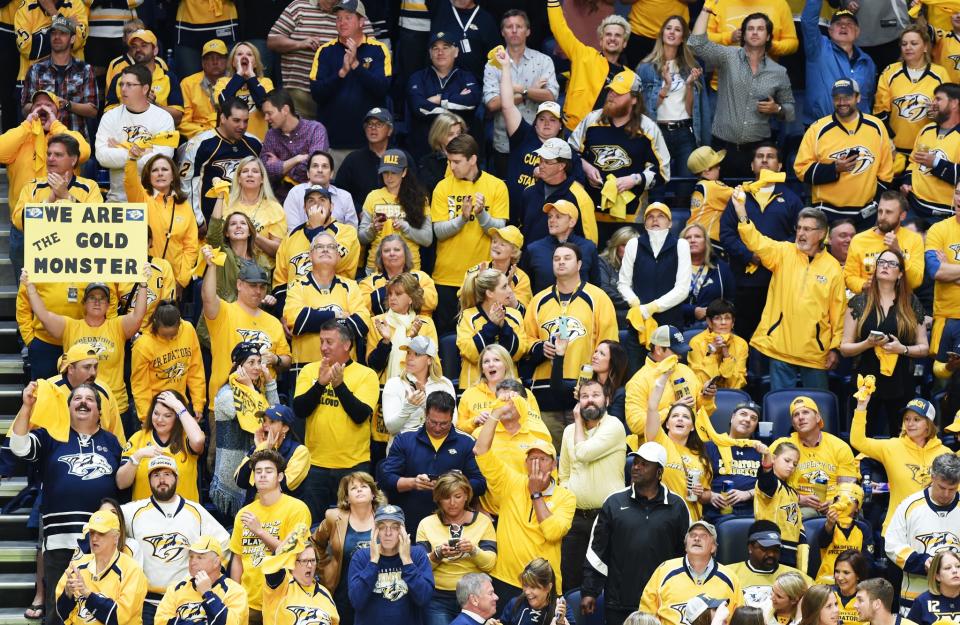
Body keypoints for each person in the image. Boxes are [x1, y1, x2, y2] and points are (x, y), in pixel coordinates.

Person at [10, 382, 123, 623]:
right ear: (68, 407)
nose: (83, 402)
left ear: (100, 410)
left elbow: (123, 484)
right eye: (77, 398)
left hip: (99, 541)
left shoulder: (112, 443)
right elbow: (18, 446)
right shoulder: (50, 435)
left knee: (96, 610)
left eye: (89, 399)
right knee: (57, 609)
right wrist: (27, 406)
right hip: (60, 540)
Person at [730, 193, 844, 390]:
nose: (801, 233)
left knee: (817, 409)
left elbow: (838, 311)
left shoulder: (833, 267)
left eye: (807, 229)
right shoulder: (783, 253)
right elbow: (755, 241)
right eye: (799, 228)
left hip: (815, 352)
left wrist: (835, 347)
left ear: (822, 234)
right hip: (780, 348)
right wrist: (741, 212)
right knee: (780, 408)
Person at [473, 410, 576, 605]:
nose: (536, 464)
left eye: (543, 459)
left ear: (554, 465)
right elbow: (481, 451)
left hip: (543, 584)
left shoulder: (566, 496)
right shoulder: (510, 481)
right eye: (531, 459)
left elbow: (553, 532)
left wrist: (536, 494)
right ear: (525, 463)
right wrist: (495, 414)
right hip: (506, 579)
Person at [581, 441, 688, 625]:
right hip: (619, 602)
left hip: (663, 602)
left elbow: (685, 554)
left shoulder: (677, 506)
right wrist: (590, 591)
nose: (636, 467)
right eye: (636, 462)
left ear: (659, 472)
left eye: (644, 464)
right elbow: (597, 551)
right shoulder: (614, 502)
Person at [23, 273, 147, 430]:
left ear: (109, 305)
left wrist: (143, 284)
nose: (97, 301)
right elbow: (43, 315)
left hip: (114, 406)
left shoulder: (117, 326)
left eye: (102, 298)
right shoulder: (70, 326)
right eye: (92, 297)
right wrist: (30, 286)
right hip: (78, 407)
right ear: (84, 303)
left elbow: (138, 315)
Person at [524, 242, 618, 440]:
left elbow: (609, 346)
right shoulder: (538, 300)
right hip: (545, 392)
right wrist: (539, 347)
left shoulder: (598, 298)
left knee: (585, 455)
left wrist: (600, 385)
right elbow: (525, 340)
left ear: (579, 264)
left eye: (567, 258)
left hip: (585, 391)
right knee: (549, 458)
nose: (561, 262)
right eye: (556, 259)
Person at [121, 456, 231, 623]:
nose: (162, 480)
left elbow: (224, 544)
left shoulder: (195, 511)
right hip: (146, 602)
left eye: (167, 474)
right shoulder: (133, 511)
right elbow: (105, 516)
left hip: (185, 601)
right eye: (156, 475)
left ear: (177, 478)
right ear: (149, 480)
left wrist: (211, 577)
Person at [688, 10, 795, 178]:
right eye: (750, 29)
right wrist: (705, 10)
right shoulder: (727, 56)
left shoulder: (779, 71)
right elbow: (695, 44)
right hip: (722, 147)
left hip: (758, 152)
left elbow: (790, 111)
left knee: (755, 202)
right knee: (719, 201)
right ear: (743, 35)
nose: (754, 32)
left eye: (760, 29)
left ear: (768, 37)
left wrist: (777, 108)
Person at [293, 319, 380, 517]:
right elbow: (299, 409)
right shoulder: (309, 371)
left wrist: (339, 386)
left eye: (329, 342)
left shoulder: (366, 375)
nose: (323, 347)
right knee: (315, 528)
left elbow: (360, 415)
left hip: (353, 465)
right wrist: (320, 385)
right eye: (321, 341)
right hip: (316, 464)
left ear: (346, 344)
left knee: (355, 523)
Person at [569, 69, 671, 236]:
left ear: (634, 99)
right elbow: (569, 152)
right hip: (589, 213)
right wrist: (585, 167)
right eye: (611, 90)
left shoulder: (648, 129)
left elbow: (663, 171)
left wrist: (634, 179)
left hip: (631, 217)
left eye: (619, 93)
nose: (611, 96)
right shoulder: (592, 120)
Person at [719, 143, 804, 341]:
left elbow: (801, 235)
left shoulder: (792, 199)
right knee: (743, 334)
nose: (764, 160)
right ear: (752, 165)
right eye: (759, 156)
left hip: (779, 278)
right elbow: (727, 234)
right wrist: (750, 256)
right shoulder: (739, 196)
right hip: (744, 279)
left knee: (776, 334)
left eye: (770, 156)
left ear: (780, 165)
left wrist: (776, 255)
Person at [840, 250, 930, 436]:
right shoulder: (859, 302)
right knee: (862, 437)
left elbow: (924, 347)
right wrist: (867, 343)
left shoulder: (911, 303)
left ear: (900, 274)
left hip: (901, 380)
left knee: (903, 438)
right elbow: (845, 348)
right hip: (864, 381)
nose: (885, 266)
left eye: (892, 264)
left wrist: (902, 349)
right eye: (881, 262)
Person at [431, 134, 510, 334]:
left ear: (473, 159)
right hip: (447, 278)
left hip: (481, 280)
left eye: (457, 162)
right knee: (448, 340)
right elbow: (438, 232)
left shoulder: (496, 186)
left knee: (482, 337)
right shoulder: (442, 187)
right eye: (449, 161)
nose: (452, 167)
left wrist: (482, 214)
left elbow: (500, 232)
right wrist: (462, 219)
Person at [200, 245, 292, 413]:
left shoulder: (273, 322)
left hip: (262, 406)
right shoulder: (224, 311)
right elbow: (207, 297)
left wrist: (275, 359)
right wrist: (211, 266)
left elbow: (287, 360)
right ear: (239, 285)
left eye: (262, 287)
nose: (258, 291)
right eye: (252, 285)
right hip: (227, 405)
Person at [795, 78, 896, 229]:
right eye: (837, 98)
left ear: (858, 97)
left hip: (866, 213)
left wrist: (875, 203)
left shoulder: (876, 126)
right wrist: (833, 169)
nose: (842, 102)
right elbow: (801, 170)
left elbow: (886, 172)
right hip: (828, 213)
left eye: (847, 97)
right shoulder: (817, 129)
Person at [557, 379, 626, 592]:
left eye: (595, 395)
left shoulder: (614, 425)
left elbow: (583, 453)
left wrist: (577, 421)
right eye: (585, 396)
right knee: (572, 580)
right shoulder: (569, 431)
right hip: (576, 518)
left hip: (607, 517)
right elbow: (564, 473)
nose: (589, 400)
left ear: (606, 399)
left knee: (606, 580)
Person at [379, 389, 485, 528]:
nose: (437, 428)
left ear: (452, 417)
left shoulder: (466, 442)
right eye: (433, 422)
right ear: (425, 414)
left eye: (444, 423)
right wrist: (413, 483)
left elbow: (480, 484)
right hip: (410, 520)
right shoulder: (405, 439)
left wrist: (453, 486)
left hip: (453, 523)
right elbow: (386, 479)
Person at [230, 449, 312, 623]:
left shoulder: (297, 509)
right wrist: (236, 595)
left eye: (269, 471)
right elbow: (237, 559)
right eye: (258, 472)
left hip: (284, 600)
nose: (262, 476)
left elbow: (293, 554)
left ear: (280, 477)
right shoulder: (244, 513)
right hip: (249, 602)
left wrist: (260, 532)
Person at [492, 53, 572, 225]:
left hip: (545, 219)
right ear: (535, 122)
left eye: (552, 120)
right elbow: (507, 105)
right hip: (513, 215)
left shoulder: (566, 150)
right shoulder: (523, 135)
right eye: (542, 119)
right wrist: (506, 67)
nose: (546, 124)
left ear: (560, 125)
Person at [6, 124, 91, 277]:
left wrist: (66, 196)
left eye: (58, 155)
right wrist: (51, 199)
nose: (51, 158)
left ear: (73, 160)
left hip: (74, 261)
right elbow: (19, 221)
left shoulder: (89, 187)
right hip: (37, 261)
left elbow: (96, 223)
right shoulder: (32, 186)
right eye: (49, 154)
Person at [636, 15, 711, 187]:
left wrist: (690, 86)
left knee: (685, 188)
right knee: (656, 188)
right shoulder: (645, 67)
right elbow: (643, 110)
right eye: (668, 28)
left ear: (683, 37)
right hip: (657, 133)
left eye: (677, 30)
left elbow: (693, 112)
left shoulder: (692, 67)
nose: (672, 32)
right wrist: (666, 87)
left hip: (685, 133)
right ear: (662, 33)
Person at [282, 230, 370, 376]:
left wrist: (314, 319)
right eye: (319, 247)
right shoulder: (297, 285)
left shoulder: (351, 286)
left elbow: (361, 324)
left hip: (343, 370)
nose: (325, 249)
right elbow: (297, 320)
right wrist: (338, 315)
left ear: (337, 256)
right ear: (310, 255)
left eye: (331, 247)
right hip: (305, 370)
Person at [309, 0, 391, 155]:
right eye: (338, 18)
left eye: (348, 17)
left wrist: (356, 66)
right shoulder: (325, 51)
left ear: (361, 21)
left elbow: (382, 89)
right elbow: (316, 94)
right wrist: (341, 74)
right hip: (331, 142)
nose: (342, 22)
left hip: (368, 144)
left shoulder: (378, 49)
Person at [210, 341, 281, 517]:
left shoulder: (256, 393)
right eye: (251, 362)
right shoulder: (226, 394)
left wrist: (270, 382)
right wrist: (250, 388)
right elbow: (255, 421)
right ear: (238, 366)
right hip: (230, 477)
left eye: (259, 362)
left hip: (252, 468)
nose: (257, 367)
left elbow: (275, 417)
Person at [483, 11, 559, 177]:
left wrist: (519, 89)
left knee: (535, 190)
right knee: (507, 192)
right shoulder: (493, 64)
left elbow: (551, 96)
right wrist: (529, 92)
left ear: (528, 31)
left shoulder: (543, 61)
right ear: (503, 32)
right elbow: (492, 103)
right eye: (509, 27)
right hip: (504, 142)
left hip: (539, 141)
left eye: (519, 26)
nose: (514, 30)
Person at [416, 473, 498, 625]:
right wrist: (437, 555)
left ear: (467, 495)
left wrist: (473, 550)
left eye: (458, 496)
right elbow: (420, 567)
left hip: (475, 598)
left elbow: (490, 564)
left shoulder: (483, 522)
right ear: (438, 499)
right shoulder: (426, 523)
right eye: (446, 497)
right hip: (438, 597)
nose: (452, 503)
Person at [618, 203, 690, 369]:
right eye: (650, 216)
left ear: (670, 223)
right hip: (638, 324)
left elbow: (682, 289)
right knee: (636, 375)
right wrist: (634, 302)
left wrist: (652, 307)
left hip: (670, 324)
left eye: (661, 216)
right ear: (645, 223)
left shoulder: (681, 245)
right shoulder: (633, 244)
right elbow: (623, 283)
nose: (655, 220)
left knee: (671, 374)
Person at [884, 453, 960, 610]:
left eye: (952, 489)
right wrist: (921, 562)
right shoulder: (910, 505)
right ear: (932, 477)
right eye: (942, 487)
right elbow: (892, 544)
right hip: (914, 598)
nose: (946, 494)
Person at [273, 186, 362, 312]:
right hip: (297, 307)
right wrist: (283, 315)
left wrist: (316, 228)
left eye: (322, 200)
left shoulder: (347, 232)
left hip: (335, 307)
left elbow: (329, 264)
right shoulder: (291, 237)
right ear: (305, 208)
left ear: (331, 206)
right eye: (311, 201)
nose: (317, 205)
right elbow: (280, 282)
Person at [95, 64, 176, 202]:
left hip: (154, 200)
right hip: (118, 201)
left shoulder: (164, 118)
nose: (123, 89)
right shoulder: (110, 116)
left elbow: (161, 161)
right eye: (122, 84)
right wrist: (144, 152)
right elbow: (102, 157)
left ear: (145, 89)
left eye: (130, 85)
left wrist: (120, 147)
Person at [53, 509, 148, 625]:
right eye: (92, 532)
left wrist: (87, 594)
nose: (94, 538)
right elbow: (62, 614)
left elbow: (119, 618)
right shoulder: (76, 566)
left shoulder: (132, 570)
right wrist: (67, 594)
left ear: (116, 537)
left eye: (101, 533)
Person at [313, 472, 383, 625]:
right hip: (343, 590)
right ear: (346, 497)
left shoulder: (385, 518)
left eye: (364, 486)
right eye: (353, 488)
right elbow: (314, 543)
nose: (359, 490)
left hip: (378, 589)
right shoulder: (333, 518)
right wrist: (323, 567)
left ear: (373, 494)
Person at [640, 521, 743, 625]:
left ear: (713, 547)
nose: (697, 538)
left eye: (703, 536)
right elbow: (645, 617)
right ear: (685, 546)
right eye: (692, 535)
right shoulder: (664, 570)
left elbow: (740, 619)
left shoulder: (730, 577)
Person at [770, 396, 860, 516]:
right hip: (798, 505)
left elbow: (848, 487)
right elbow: (767, 482)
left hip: (836, 505)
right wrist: (799, 498)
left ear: (818, 417)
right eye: (796, 415)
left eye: (805, 412)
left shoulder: (840, 446)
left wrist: (834, 502)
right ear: (793, 423)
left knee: (849, 512)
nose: (801, 417)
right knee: (801, 514)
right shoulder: (781, 445)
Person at [180, 97, 262, 226]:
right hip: (209, 219)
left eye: (246, 121)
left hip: (246, 221)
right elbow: (187, 184)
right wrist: (198, 220)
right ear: (223, 118)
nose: (242, 126)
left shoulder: (255, 143)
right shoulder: (199, 144)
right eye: (236, 121)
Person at [547, 0, 628, 130]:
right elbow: (559, 29)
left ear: (624, 43)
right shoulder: (583, 55)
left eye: (618, 35)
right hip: (573, 129)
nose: (612, 38)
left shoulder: (629, 77)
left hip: (605, 138)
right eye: (608, 34)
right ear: (601, 41)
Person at [347, 504, 434, 625]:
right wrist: (373, 562)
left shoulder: (417, 555)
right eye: (382, 527)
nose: (388, 533)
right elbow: (356, 601)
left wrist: (407, 561)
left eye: (395, 527)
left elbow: (424, 598)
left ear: (403, 530)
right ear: (375, 531)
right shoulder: (361, 557)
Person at [644, 369, 714, 519]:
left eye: (686, 417)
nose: (680, 419)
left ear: (693, 426)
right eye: (675, 416)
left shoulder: (701, 456)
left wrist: (701, 493)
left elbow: (707, 495)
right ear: (667, 424)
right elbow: (652, 408)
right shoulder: (659, 440)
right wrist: (662, 379)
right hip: (660, 517)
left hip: (690, 520)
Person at [124, 152, 199, 290]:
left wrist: (181, 281)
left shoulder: (185, 206)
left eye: (164, 169)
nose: (160, 173)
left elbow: (191, 247)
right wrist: (132, 159)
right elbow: (130, 182)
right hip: (144, 279)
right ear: (148, 176)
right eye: (155, 170)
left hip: (173, 282)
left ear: (173, 176)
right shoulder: (141, 198)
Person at [405, 31, 480, 161]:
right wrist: (456, 102)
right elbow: (419, 108)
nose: (440, 52)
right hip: (425, 152)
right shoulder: (417, 78)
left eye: (445, 47)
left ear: (456, 52)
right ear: (430, 53)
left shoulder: (466, 76)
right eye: (435, 48)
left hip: (462, 154)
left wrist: (439, 99)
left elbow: (472, 102)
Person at [875, 27, 948, 161]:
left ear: (925, 47)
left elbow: (950, 112)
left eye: (914, 43)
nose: (908, 47)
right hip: (896, 149)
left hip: (929, 150)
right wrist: (890, 140)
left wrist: (938, 114)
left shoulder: (940, 73)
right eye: (904, 44)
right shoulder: (890, 72)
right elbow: (880, 111)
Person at [117, 391, 204, 501]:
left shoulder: (187, 437)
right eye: (156, 413)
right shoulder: (138, 438)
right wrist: (137, 456)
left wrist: (179, 406)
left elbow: (198, 440)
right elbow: (121, 483)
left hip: (184, 514)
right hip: (146, 514)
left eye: (167, 415)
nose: (159, 420)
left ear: (178, 417)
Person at [19, 16, 97, 139]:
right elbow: (24, 108)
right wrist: (40, 106)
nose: (57, 37)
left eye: (62, 33)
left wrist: (67, 104)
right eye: (53, 33)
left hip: (75, 141)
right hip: (42, 139)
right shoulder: (36, 69)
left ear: (72, 39)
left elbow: (93, 111)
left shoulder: (85, 69)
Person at [359, 150, 433, 273]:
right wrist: (372, 229)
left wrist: (406, 227)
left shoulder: (419, 199)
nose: (389, 177)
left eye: (394, 172)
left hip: (409, 269)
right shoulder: (372, 196)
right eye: (385, 172)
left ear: (404, 172)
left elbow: (427, 239)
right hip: (376, 269)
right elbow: (361, 238)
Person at [801, 4, 876, 124]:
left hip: (857, 128)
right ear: (830, 31)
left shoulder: (867, 61)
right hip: (821, 125)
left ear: (857, 32)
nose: (843, 26)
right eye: (838, 23)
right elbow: (808, 21)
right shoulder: (818, 48)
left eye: (849, 24)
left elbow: (868, 97)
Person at [130, 302, 205, 420]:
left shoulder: (188, 330)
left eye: (173, 335)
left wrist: (198, 403)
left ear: (179, 324)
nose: (169, 339)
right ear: (155, 325)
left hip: (180, 405)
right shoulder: (143, 345)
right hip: (156, 409)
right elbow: (140, 386)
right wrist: (146, 417)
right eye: (165, 335)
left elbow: (195, 370)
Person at [456, 268, 528, 391]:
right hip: (473, 388)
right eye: (504, 287)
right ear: (490, 293)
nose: (510, 291)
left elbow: (519, 353)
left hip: (509, 389)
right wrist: (492, 326)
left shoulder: (515, 315)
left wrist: (503, 326)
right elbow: (471, 353)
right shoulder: (468, 316)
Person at [155, 536, 249, 625]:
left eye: (200, 557)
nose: (193, 562)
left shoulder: (235, 591)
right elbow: (160, 621)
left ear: (216, 562)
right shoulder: (176, 588)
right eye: (191, 556)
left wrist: (208, 594)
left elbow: (230, 623)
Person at [846, 191, 926, 295]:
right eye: (880, 211)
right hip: (867, 301)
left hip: (901, 303)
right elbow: (849, 276)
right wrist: (864, 284)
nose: (882, 217)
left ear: (902, 216)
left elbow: (915, 281)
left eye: (888, 212)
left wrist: (898, 252)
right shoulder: (859, 239)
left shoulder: (914, 239)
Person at [377, 336, 452, 448]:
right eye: (408, 353)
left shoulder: (444, 384)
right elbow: (391, 428)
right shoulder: (394, 384)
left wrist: (426, 404)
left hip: (436, 449)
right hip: (403, 451)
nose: (410, 358)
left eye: (416, 354)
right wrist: (408, 408)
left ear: (429, 360)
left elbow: (452, 423)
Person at [624, 324, 703, 428]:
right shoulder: (638, 381)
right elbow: (636, 424)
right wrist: (672, 410)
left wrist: (706, 398)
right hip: (657, 442)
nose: (679, 356)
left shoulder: (686, 370)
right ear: (658, 349)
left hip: (690, 440)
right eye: (676, 351)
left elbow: (702, 413)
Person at [456, 344, 543, 436]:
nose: (491, 364)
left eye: (496, 360)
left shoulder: (524, 393)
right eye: (486, 361)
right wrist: (474, 421)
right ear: (482, 369)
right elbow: (459, 430)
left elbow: (536, 424)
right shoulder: (469, 394)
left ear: (506, 365)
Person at [233, 404, 311, 505]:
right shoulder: (260, 447)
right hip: (254, 508)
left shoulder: (300, 451)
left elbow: (284, 486)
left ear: (285, 428)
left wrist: (266, 452)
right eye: (264, 420)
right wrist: (261, 449)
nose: (265, 424)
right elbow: (240, 480)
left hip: (282, 512)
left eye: (272, 421)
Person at [261, 88, 330, 203]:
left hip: (313, 198)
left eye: (269, 113)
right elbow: (265, 171)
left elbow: (316, 168)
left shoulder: (315, 129)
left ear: (285, 110)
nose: (266, 118)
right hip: (281, 200)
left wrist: (281, 166)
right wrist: (296, 159)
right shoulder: (271, 135)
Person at [103, 29, 184, 126]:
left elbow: (178, 118)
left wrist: (154, 106)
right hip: (125, 135)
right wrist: (130, 104)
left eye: (144, 45)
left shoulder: (169, 78)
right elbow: (107, 115)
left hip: (159, 135)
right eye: (134, 46)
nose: (138, 49)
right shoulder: (120, 78)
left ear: (155, 50)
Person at [904, 83, 960, 222]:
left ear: (954, 103)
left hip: (944, 215)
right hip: (914, 207)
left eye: (938, 99)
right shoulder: (926, 129)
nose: (932, 103)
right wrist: (907, 181)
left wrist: (935, 163)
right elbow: (912, 162)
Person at [701, 399, 762, 521]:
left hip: (753, 514)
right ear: (732, 418)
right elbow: (696, 485)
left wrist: (748, 494)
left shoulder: (761, 450)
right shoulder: (711, 446)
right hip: (716, 514)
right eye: (743, 414)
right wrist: (711, 496)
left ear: (755, 426)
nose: (748, 419)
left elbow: (773, 487)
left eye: (753, 418)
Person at [524, 200, 601, 295]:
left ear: (572, 222)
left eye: (558, 216)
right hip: (545, 307)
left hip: (581, 307)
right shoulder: (534, 249)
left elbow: (596, 285)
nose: (551, 220)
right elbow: (526, 287)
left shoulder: (588, 247)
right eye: (550, 216)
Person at [729, 521, 812, 608]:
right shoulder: (730, 573)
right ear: (750, 548)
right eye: (765, 549)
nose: (771, 554)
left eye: (775, 549)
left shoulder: (796, 577)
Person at [336, 108, 403, 210]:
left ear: (390, 130)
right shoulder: (353, 160)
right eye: (370, 124)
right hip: (361, 218)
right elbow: (340, 193)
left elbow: (413, 191)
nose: (373, 128)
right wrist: (359, 211)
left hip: (398, 217)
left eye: (379, 124)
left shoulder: (401, 157)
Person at [755, 443, 806, 570]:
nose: (791, 466)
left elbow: (797, 523)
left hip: (791, 550)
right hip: (769, 546)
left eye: (794, 464)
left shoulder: (792, 492)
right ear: (774, 458)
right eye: (787, 460)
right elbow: (766, 477)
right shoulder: (771, 484)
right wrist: (766, 458)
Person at [462, 226, 533, 314]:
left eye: (502, 244)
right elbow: (463, 302)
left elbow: (523, 312)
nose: (495, 246)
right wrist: (480, 285)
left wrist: (507, 289)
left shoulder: (521, 278)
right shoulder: (476, 271)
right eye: (494, 241)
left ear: (514, 252)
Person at [361, 237, 438, 318]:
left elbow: (432, 303)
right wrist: (391, 291)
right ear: (381, 256)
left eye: (397, 250)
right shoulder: (369, 282)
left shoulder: (421, 277)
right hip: (381, 327)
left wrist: (402, 288)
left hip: (419, 327)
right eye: (386, 251)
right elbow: (362, 307)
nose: (392, 253)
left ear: (405, 254)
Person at [14, 2, 88, 84]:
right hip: (33, 83)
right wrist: (66, 24)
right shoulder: (26, 7)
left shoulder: (76, 4)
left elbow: (78, 40)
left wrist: (54, 13)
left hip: (71, 82)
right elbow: (28, 48)